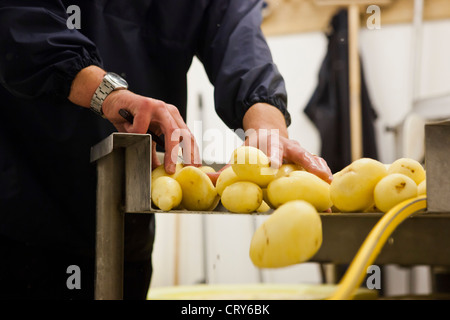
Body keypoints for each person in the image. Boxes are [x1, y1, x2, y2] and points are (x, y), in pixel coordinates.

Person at [0, 0, 332, 300]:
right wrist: (108, 93)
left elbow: (239, 39)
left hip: (128, 226)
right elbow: (22, 22)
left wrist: (268, 129)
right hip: (26, 211)